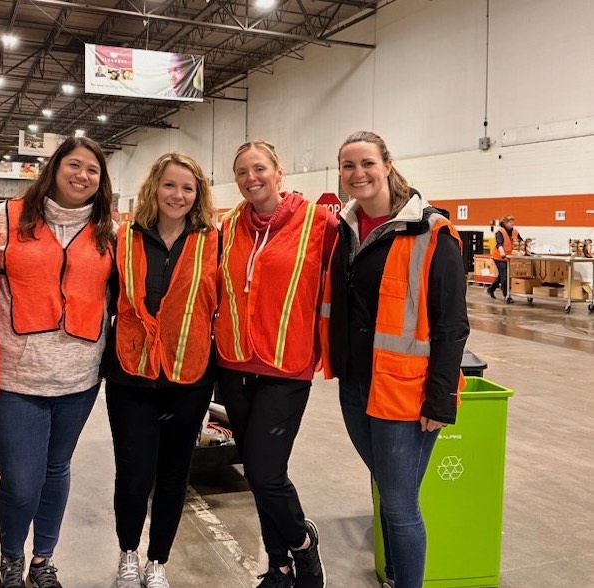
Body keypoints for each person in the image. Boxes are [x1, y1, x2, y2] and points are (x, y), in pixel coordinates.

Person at [320, 131, 469, 588]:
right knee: (388, 492)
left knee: (401, 504)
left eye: (366, 163)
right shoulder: (343, 229)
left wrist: (440, 400)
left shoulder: (431, 231)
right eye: (348, 166)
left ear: (387, 164)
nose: (357, 173)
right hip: (356, 386)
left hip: (406, 393)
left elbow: (451, 324)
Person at [0, 136, 115, 588]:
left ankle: (42, 562)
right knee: (21, 480)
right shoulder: (2, 221)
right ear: (55, 169)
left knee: (57, 471)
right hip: (15, 378)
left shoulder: (108, 232)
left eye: (92, 170)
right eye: (74, 165)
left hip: (79, 378)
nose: (82, 176)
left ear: (102, 181)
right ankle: (10, 560)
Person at [214, 140, 337, 588]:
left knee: (266, 474)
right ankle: (279, 566)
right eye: (243, 172)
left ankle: (303, 544)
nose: (252, 178)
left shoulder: (319, 223)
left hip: (286, 366)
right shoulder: (228, 226)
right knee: (258, 471)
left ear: (279, 172)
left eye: (259, 168)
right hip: (234, 363)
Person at [101, 153, 218, 588]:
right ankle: (128, 553)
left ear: (198, 194)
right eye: (170, 185)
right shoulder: (122, 237)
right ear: (155, 188)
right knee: (133, 473)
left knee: (174, 474)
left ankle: (157, 561)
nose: (179, 195)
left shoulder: (212, 240)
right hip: (131, 376)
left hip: (189, 376)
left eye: (188, 188)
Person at [487, 214, 523, 300]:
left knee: (502, 275)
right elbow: (499, 243)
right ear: (505, 223)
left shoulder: (515, 231)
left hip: (509, 256)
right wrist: (502, 252)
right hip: (499, 256)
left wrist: (525, 248)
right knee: (505, 275)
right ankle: (506, 295)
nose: (512, 224)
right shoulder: (500, 232)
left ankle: (491, 289)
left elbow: (521, 241)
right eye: (510, 222)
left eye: (513, 222)